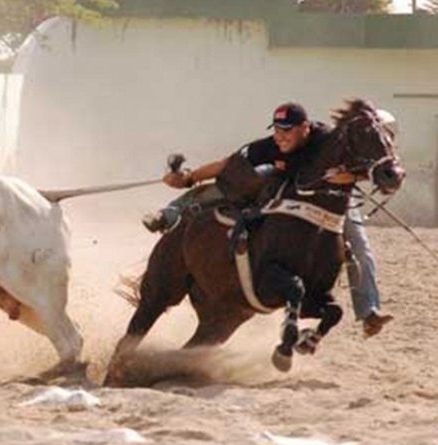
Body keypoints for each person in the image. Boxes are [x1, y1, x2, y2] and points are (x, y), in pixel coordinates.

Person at [142, 102, 393, 337]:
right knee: (241, 178)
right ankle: (171, 212)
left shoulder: (328, 140)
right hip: (290, 190)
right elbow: (225, 165)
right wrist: (189, 177)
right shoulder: (270, 145)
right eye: (277, 130)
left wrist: (348, 177)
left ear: (305, 128)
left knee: (359, 244)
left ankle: (369, 311)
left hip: (330, 200)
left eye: (288, 130)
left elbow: (370, 166)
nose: (280, 136)